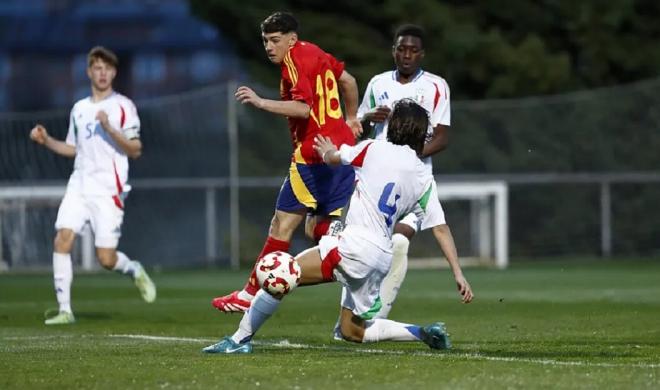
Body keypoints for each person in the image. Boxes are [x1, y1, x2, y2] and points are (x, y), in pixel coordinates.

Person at [202, 99, 473, 354]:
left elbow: (335, 158)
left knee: (284, 273)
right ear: (420, 135)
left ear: (394, 126)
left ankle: (238, 340)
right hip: (379, 259)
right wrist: (458, 274)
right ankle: (422, 333)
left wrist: (325, 150)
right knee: (351, 331)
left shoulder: (373, 149)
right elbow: (440, 227)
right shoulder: (424, 178)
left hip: (354, 246)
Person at [212, 11, 362, 313]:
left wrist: (260, 101)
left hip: (312, 156)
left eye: (275, 40)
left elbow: (303, 109)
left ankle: (248, 294)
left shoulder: (294, 59)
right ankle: (353, 263)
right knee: (318, 228)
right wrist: (351, 118)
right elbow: (348, 80)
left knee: (281, 225)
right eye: (265, 40)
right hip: (341, 153)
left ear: (291, 40)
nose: (269, 46)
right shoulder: (315, 52)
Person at [30, 46, 156, 325]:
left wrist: (110, 128)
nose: (103, 73)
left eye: (108, 69)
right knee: (63, 238)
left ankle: (133, 269)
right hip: (79, 186)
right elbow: (73, 148)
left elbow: (135, 149)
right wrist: (47, 141)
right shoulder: (79, 109)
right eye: (97, 68)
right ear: (89, 71)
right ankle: (65, 310)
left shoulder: (123, 106)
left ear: (114, 73)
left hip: (108, 191)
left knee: (106, 259)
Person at [356, 24, 453, 319]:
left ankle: (375, 318)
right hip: (375, 177)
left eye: (413, 50)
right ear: (394, 51)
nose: (406, 55)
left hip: (413, 179)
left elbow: (443, 136)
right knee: (365, 248)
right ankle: (353, 313)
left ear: (421, 54)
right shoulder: (377, 83)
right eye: (401, 49)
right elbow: (358, 127)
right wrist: (368, 116)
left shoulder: (436, 86)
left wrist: (410, 156)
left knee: (397, 242)